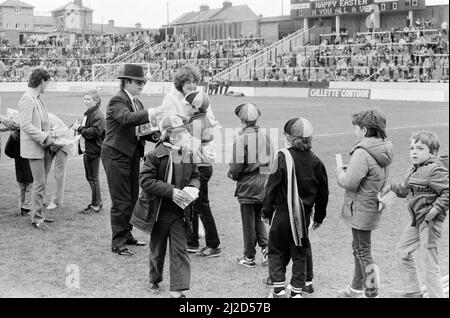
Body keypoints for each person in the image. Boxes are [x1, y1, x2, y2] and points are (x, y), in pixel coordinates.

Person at [148, 65, 222, 257]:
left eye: (194, 82)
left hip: (196, 159)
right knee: (192, 200)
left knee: (200, 202)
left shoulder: (198, 113)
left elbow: (201, 133)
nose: (191, 85)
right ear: (180, 83)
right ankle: (192, 240)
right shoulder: (175, 99)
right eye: (187, 81)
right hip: (187, 157)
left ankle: (212, 243)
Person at [132, 115, 200, 299]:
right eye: (183, 132)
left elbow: (196, 175)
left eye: (187, 131)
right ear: (170, 134)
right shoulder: (155, 155)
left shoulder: (188, 154)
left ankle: (177, 290)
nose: (187, 135)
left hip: (180, 212)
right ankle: (154, 279)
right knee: (157, 248)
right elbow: (145, 181)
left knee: (180, 249)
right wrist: (171, 191)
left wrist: (192, 188)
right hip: (158, 212)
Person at [262, 117, 329, 298]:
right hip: (303, 216)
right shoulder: (317, 162)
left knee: (276, 250)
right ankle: (297, 291)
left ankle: (278, 289)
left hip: (283, 214)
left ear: (289, 137)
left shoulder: (282, 156)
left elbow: (271, 187)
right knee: (300, 253)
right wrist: (319, 218)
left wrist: (266, 211)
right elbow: (323, 194)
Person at [336, 110, 394, 298]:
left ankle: (372, 292)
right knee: (359, 249)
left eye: (357, 128)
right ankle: (356, 287)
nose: (355, 131)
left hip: (361, 208)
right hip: (369, 206)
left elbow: (349, 182)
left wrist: (339, 172)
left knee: (363, 251)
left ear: (365, 130)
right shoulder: (383, 149)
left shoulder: (363, 152)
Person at [101, 64, 155, 256]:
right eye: (138, 82)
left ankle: (127, 234)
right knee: (121, 200)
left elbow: (142, 129)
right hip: (116, 155)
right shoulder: (118, 100)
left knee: (132, 198)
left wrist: (159, 135)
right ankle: (118, 242)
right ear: (127, 81)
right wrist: (153, 113)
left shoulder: (137, 103)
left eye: (143, 82)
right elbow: (126, 119)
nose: (142, 85)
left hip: (131, 155)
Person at [389, 132, 448, 298]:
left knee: (430, 263)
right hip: (416, 221)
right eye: (412, 148)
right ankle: (414, 291)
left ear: (433, 153)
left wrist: (434, 210)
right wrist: (395, 189)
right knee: (402, 251)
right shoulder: (412, 170)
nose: (414, 152)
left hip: (429, 224)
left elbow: (447, 192)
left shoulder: (435, 170)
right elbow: (409, 191)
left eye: (420, 148)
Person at [228, 103, 273, 268]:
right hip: (264, 183)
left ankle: (249, 257)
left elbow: (236, 167)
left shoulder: (241, 138)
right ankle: (267, 250)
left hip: (248, 185)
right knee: (258, 219)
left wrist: (233, 175)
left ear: (241, 119)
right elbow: (271, 159)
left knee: (248, 222)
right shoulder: (266, 135)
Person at [183, 91, 222, 258]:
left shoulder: (197, 123)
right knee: (193, 204)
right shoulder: (200, 120)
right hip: (202, 167)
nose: (184, 106)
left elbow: (189, 148)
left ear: (195, 107)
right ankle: (191, 241)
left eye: (187, 104)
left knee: (201, 206)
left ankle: (213, 245)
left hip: (199, 168)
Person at [18, 68, 57, 230]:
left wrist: (53, 134)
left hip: (44, 146)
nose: (47, 86)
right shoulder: (27, 98)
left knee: (42, 183)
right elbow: (25, 124)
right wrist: (44, 137)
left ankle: (39, 213)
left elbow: (41, 122)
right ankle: (36, 218)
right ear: (41, 81)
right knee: (39, 183)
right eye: (47, 82)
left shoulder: (37, 98)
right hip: (36, 148)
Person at [73, 90, 105, 215]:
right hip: (87, 149)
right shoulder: (89, 113)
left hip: (94, 150)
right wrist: (76, 126)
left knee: (93, 178)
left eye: (88, 99)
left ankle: (96, 204)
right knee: (90, 177)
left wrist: (80, 129)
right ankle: (97, 201)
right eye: (84, 98)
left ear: (96, 101)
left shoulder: (98, 114)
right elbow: (85, 128)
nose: (85, 101)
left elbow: (95, 132)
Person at [46, 113, 75, 211]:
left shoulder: (47, 118)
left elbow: (60, 135)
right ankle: (39, 199)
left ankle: (56, 201)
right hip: (52, 143)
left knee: (59, 172)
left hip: (63, 143)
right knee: (43, 171)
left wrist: (52, 150)